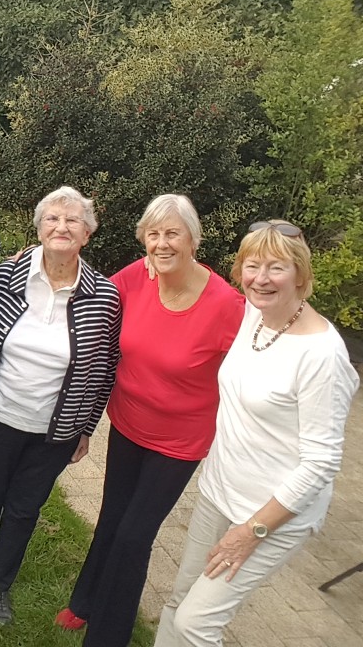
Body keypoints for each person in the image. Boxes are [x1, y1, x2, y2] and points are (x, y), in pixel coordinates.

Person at [154, 220, 358, 646]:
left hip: (270, 516)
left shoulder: (322, 356)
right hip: (218, 492)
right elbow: (195, 281)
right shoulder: (254, 314)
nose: (261, 278)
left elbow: (321, 462)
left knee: (196, 624)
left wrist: (252, 531)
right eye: (252, 265)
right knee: (179, 600)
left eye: (276, 267)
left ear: (300, 274)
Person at [56, 194, 246, 647]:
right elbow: (90, 291)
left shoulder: (226, 304)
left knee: (134, 536)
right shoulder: (137, 277)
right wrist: (41, 259)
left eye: (173, 233)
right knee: (112, 517)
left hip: (179, 442)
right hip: (128, 423)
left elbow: (254, 367)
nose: (162, 244)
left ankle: (108, 636)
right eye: (154, 234)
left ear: (193, 240)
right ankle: (85, 601)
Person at [0, 187, 122, 626]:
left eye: (72, 220)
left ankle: (0, 586)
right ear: (39, 228)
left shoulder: (104, 296)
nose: (61, 227)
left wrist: (86, 428)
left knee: (24, 510)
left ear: (87, 233)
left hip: (54, 432)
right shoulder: (5, 278)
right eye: (52, 219)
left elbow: (105, 368)